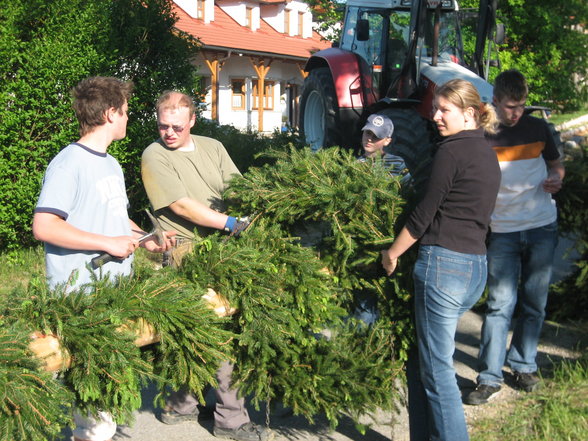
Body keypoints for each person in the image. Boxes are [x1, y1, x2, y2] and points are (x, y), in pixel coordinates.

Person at [32, 76, 175, 441]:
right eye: (125, 112)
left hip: (113, 294)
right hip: (82, 297)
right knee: (94, 411)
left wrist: (144, 240)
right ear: (111, 113)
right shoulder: (69, 164)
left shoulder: (110, 163)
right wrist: (107, 243)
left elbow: (113, 219)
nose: (128, 118)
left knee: (105, 397)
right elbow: (45, 226)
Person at [141, 91, 272, 441]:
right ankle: (231, 420)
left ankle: (180, 404)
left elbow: (237, 186)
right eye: (163, 126)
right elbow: (182, 206)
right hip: (186, 251)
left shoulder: (212, 147)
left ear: (192, 122)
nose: (169, 133)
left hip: (223, 249)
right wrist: (230, 223)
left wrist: (264, 205)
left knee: (195, 331)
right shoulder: (154, 155)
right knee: (217, 333)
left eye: (177, 127)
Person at [381, 79, 501, 441]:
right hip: (474, 267)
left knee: (438, 375)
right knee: (427, 362)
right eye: (435, 108)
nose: (435, 117)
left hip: (443, 266)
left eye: (444, 109)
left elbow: (422, 216)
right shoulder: (486, 152)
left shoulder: (451, 152)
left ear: (469, 113)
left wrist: (392, 253)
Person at [464, 69, 565, 406]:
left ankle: (523, 365)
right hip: (503, 230)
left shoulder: (539, 128)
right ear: (495, 100)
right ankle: (489, 377)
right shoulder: (482, 134)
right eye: (510, 106)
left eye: (521, 106)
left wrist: (556, 178)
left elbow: (557, 163)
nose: (516, 113)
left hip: (541, 226)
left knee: (534, 302)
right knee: (499, 305)